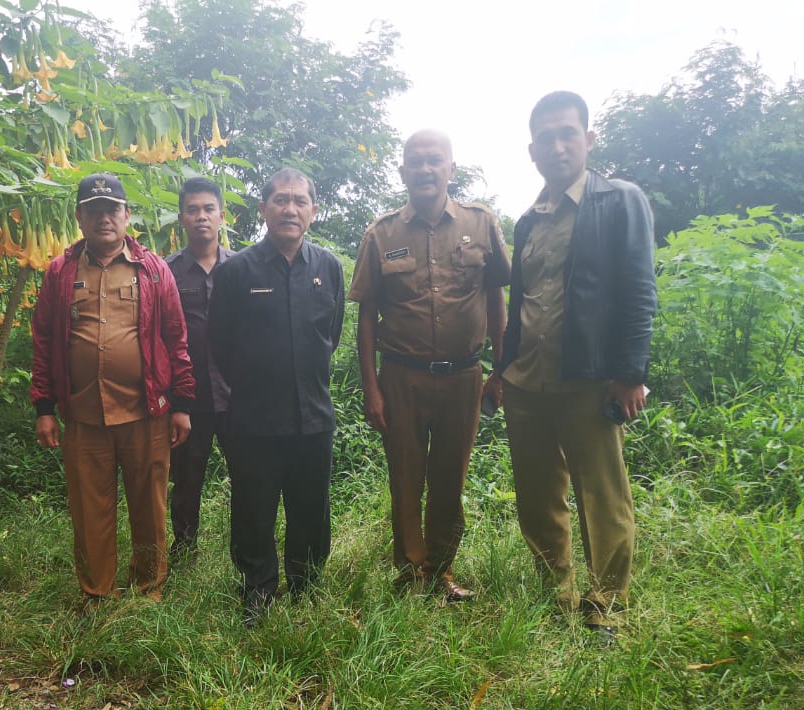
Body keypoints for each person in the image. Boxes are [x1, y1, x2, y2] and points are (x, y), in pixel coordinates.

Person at [485, 91, 656, 639]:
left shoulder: (619, 201)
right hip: (527, 380)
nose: (558, 146)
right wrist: (501, 368)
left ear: (587, 139)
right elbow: (522, 304)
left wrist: (630, 372)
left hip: (589, 378)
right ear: (532, 151)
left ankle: (604, 605)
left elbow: (639, 289)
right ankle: (554, 595)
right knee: (537, 496)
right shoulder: (527, 222)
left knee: (602, 495)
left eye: (568, 134)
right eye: (547, 138)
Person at [350, 130, 510, 604]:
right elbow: (365, 318)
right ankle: (408, 573)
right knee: (405, 478)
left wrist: (501, 371)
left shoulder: (482, 224)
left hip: (465, 377)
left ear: (451, 169)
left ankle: (441, 571)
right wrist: (372, 388)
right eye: (415, 162)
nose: (424, 169)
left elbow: (498, 300)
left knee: (449, 480)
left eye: (434, 161)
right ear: (402, 173)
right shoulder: (381, 234)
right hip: (401, 377)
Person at [31, 173, 194, 606]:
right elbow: (45, 339)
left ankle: (148, 589)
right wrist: (44, 406)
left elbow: (176, 337)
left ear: (126, 216)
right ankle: (97, 592)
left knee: (149, 507)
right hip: (83, 414)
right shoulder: (61, 272)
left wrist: (181, 403)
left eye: (112, 209)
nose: (104, 218)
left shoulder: (154, 270)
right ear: (80, 217)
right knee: (90, 511)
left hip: (147, 411)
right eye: (94, 210)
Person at [208, 168, 344, 624]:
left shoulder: (328, 268)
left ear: (314, 211)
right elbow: (219, 345)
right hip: (254, 418)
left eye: (300, 201)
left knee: (311, 507)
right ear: (264, 208)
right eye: (281, 200)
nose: (290, 208)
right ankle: (258, 591)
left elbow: (332, 335)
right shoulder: (236, 271)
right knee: (254, 508)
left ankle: (306, 588)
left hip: (313, 414)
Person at [163, 177, 233, 565]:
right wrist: (175, 400)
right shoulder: (167, 272)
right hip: (187, 398)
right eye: (193, 209)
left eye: (208, 209)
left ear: (222, 215)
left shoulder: (242, 268)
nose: (201, 216)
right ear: (182, 218)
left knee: (248, 474)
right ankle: (184, 547)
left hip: (236, 394)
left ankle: (247, 545)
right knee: (187, 478)